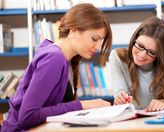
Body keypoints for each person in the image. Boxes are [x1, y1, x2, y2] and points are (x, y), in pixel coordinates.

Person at [1, 3, 112, 131]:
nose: (98, 47)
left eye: (100, 41)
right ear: (74, 30)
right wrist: (83, 105)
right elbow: (27, 117)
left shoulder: (61, 57)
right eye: (94, 39)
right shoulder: (54, 58)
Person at [109, 17, 164, 112]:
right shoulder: (118, 57)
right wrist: (120, 99)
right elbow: (120, 96)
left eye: (152, 52)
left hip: (161, 121)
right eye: (140, 45)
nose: (142, 55)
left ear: (160, 55)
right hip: (132, 120)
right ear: (135, 38)